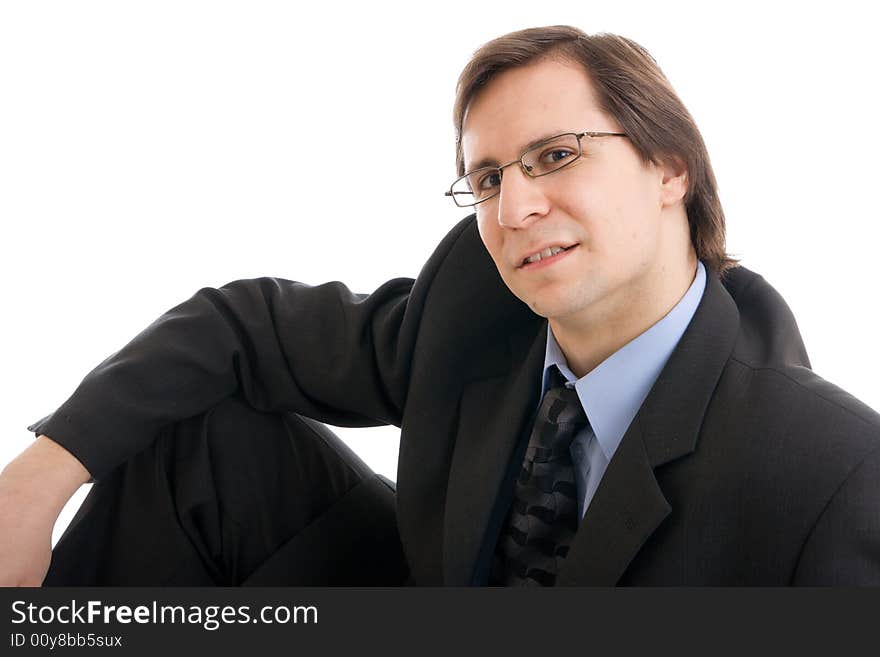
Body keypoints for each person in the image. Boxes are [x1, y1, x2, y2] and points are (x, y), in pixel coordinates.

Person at [2, 25, 879, 587]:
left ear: (670, 169)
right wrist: (37, 480)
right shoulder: (473, 299)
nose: (513, 209)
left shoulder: (828, 470)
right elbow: (245, 324)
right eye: (489, 177)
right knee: (209, 445)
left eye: (557, 155)